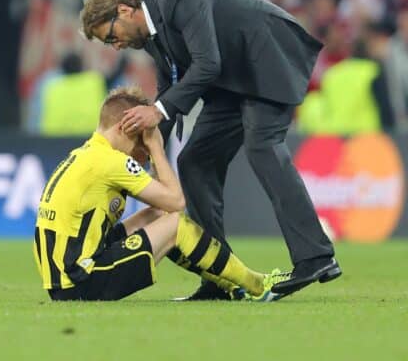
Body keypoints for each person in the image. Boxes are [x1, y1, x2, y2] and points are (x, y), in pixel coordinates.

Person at [79, 0, 340, 299]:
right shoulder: (149, 35)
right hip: (229, 82)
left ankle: (316, 257)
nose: (115, 46)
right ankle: (219, 277)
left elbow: (207, 63)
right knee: (194, 162)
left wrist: (158, 113)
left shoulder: (180, 1)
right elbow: (169, 87)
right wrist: (143, 150)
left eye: (110, 35)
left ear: (124, 10)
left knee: (262, 146)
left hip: (267, 58)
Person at [35, 86, 282, 302]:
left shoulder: (87, 154)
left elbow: (161, 202)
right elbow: (176, 202)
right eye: (141, 138)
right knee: (175, 223)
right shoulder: (111, 162)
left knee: (157, 214)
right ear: (126, 127)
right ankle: (255, 286)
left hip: (66, 279)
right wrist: (156, 148)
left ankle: (228, 284)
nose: (142, 150)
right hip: (82, 280)